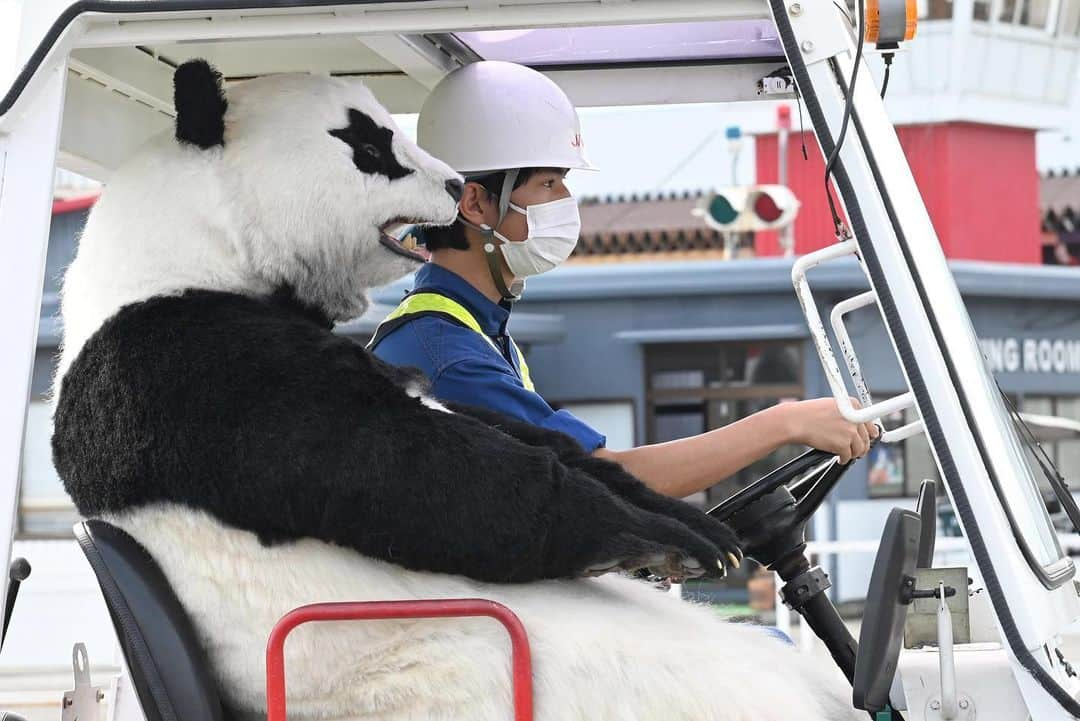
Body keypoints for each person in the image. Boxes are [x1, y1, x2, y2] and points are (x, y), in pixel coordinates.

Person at [371, 60, 878, 500]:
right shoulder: (447, 355)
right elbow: (605, 478)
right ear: (476, 203)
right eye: (548, 183)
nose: (565, 205)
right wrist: (783, 422)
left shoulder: (469, 331)